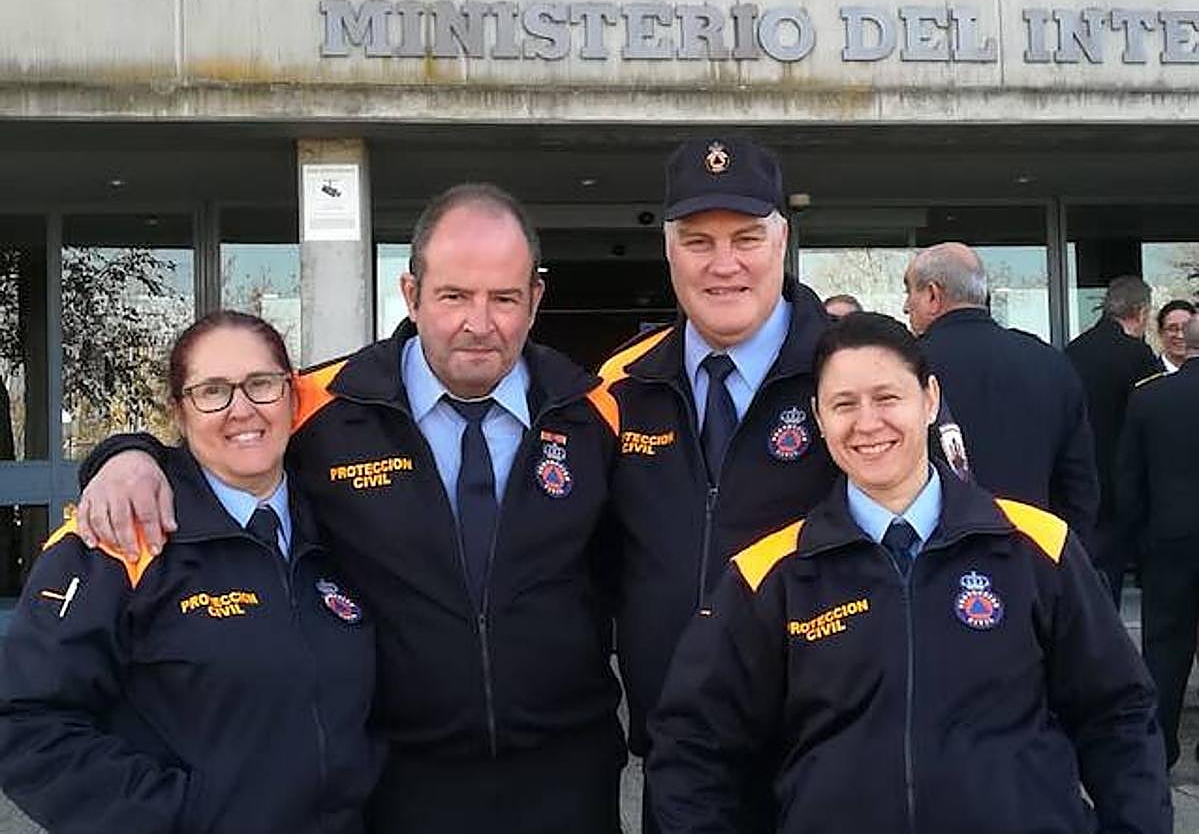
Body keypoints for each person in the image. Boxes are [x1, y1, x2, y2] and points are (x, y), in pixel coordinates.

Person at [70, 185, 625, 833]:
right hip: (395, 785)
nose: (480, 323)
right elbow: (220, 443)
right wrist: (124, 454)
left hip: (567, 781)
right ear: (411, 294)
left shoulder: (596, 413)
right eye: (453, 296)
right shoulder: (321, 409)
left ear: (535, 297)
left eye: (503, 298)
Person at [648, 311, 1170, 834]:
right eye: (843, 404)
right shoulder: (770, 573)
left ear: (930, 399)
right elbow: (694, 746)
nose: (867, 423)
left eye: (887, 397)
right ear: (818, 416)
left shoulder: (1037, 547)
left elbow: (1118, 717)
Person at [0, 311, 383, 833]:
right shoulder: (124, 534)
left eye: (261, 384)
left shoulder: (343, 522)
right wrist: (178, 818)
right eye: (211, 391)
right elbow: (24, 720)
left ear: (293, 397)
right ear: (178, 412)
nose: (241, 410)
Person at [591, 136, 839, 834]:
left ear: (782, 241)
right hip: (679, 760)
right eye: (697, 241)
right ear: (667, 250)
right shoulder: (621, 387)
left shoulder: (851, 374)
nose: (723, 264)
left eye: (747, 238)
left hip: (828, 756)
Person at [902, 242, 1099, 542]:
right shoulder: (1050, 362)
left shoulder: (907, 370)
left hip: (939, 559)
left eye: (909, 292)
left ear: (932, 295)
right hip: (1034, 551)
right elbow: (1079, 485)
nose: (906, 306)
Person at [1116, 312, 1199, 767]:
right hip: (1171, 535)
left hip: (1169, 539)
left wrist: (1140, 539)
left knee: (1165, 648)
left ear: (1184, 344)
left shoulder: (1150, 398)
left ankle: (1159, 746)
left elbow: (1129, 479)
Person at [1066, 275, 1161, 606]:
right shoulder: (1137, 355)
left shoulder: (1074, 350)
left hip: (1077, 475)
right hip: (1122, 480)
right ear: (1141, 311)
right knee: (1114, 575)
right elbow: (1153, 419)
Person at [1155, 299, 1195, 374]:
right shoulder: (1146, 374)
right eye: (1172, 329)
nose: (1180, 336)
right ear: (1160, 332)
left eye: (1187, 328)